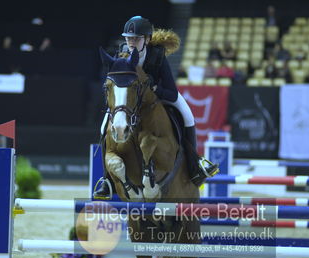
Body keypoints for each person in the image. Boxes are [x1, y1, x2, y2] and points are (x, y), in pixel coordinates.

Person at [93, 16, 219, 199]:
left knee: (188, 115)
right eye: (129, 38)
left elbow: (172, 93)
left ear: (147, 39)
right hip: (130, 103)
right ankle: (107, 180)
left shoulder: (157, 54)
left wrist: (155, 89)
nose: (131, 42)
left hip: (158, 98)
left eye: (136, 38)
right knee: (105, 125)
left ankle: (195, 163)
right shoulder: (122, 52)